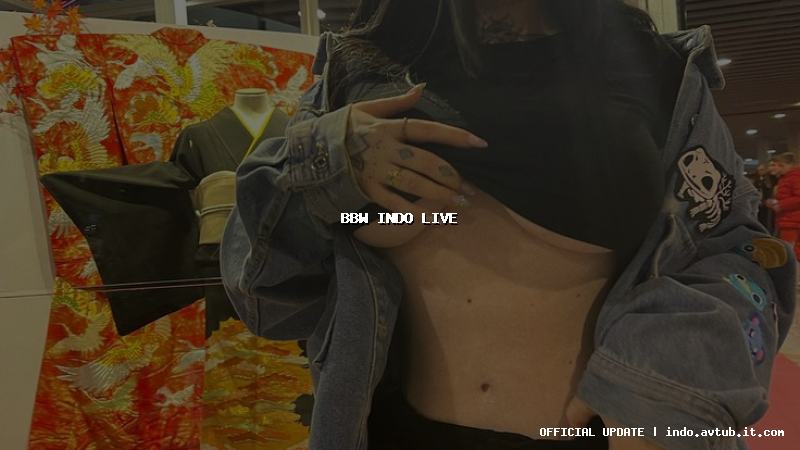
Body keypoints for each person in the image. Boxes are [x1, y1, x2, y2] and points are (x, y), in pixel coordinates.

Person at [220, 1, 796, 450]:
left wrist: (661, 391)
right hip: (396, 432)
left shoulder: (650, 65)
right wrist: (326, 174)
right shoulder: (358, 65)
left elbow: (742, 253)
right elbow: (264, 295)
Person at [766, 152, 800, 260]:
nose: (779, 168)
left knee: (790, 250)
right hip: (788, 219)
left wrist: (780, 205)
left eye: (782, 165)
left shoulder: (795, 177)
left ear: (791, 165)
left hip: (792, 220)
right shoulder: (785, 178)